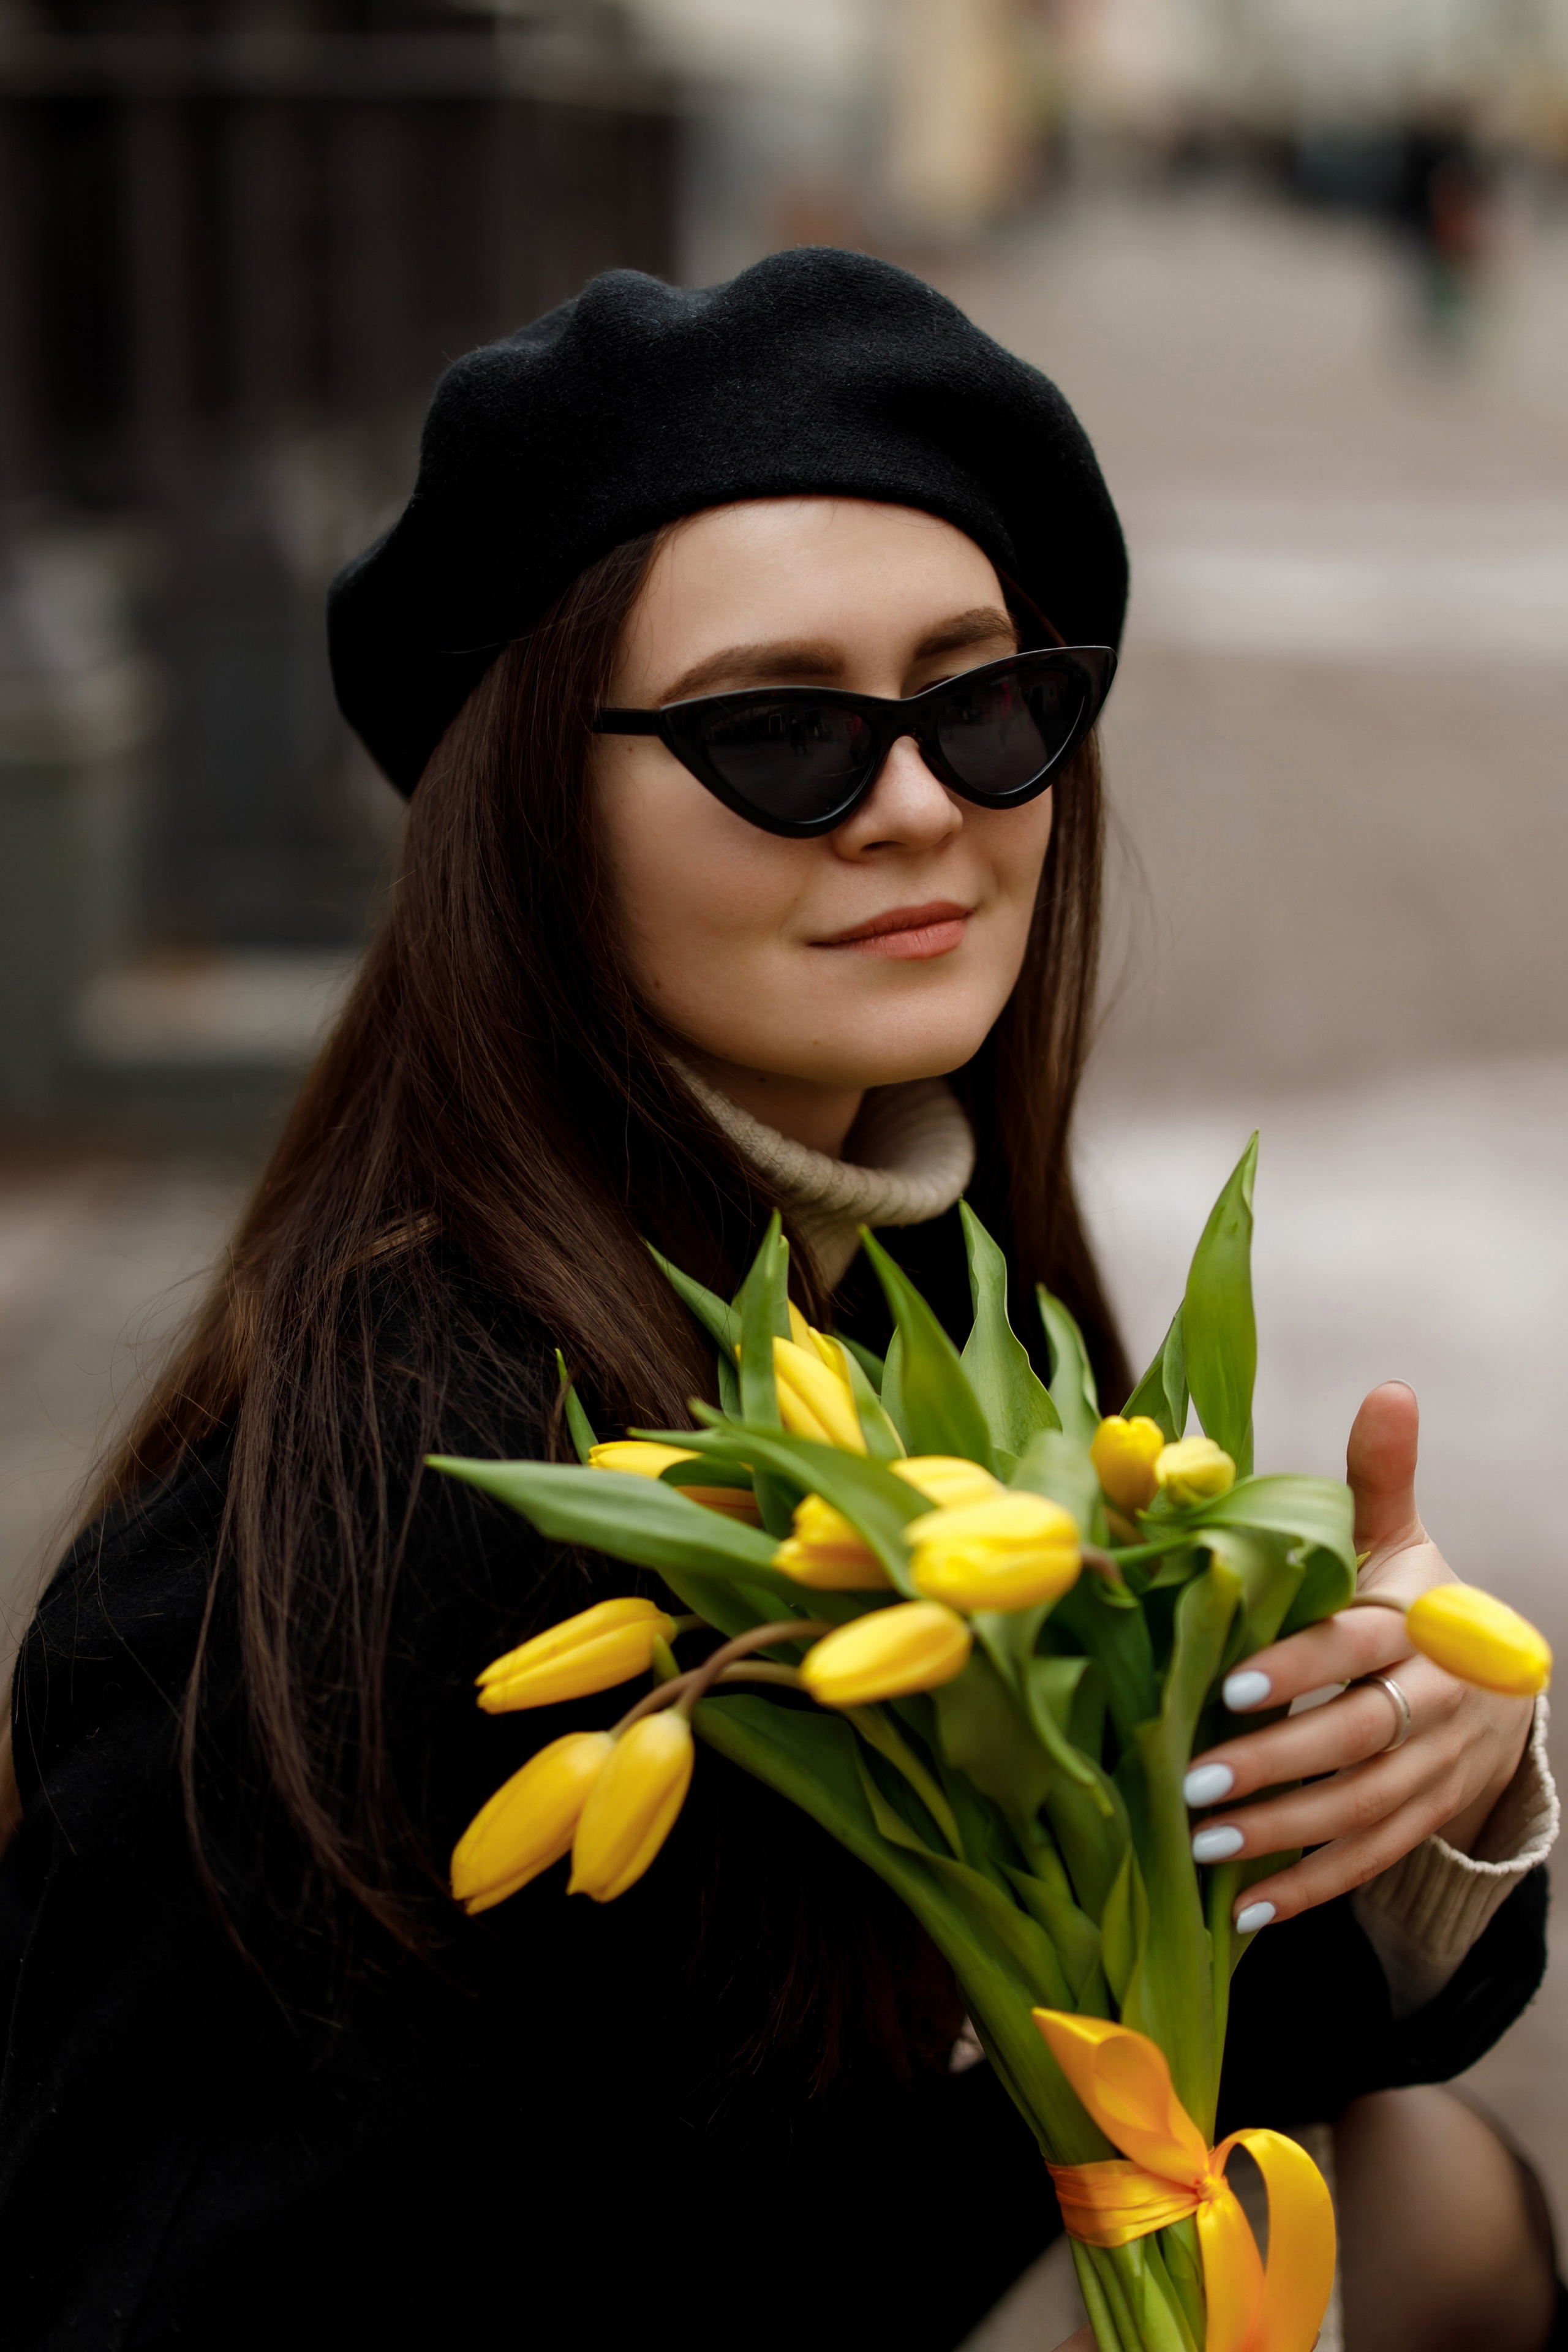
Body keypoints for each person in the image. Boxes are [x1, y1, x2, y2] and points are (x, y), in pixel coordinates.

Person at [0, 251, 1556, 2352]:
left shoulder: (940, 1295)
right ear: (537, 814)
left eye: (985, 703)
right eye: (785, 733)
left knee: (1433, 2197)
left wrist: (1410, 1796)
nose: (919, 803)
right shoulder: (353, 1530)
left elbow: (1137, 2026)